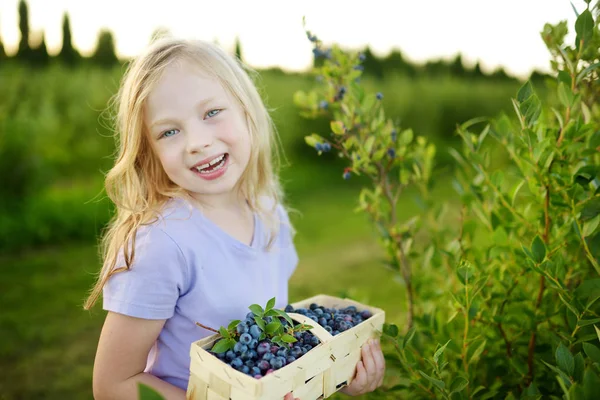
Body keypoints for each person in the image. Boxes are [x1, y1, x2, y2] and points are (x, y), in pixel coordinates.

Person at [83, 36, 385, 399]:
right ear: (150, 151)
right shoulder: (162, 244)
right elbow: (112, 384)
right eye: (170, 131)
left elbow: (273, 340)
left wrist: (341, 372)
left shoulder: (268, 211)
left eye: (211, 113)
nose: (197, 142)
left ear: (246, 111)